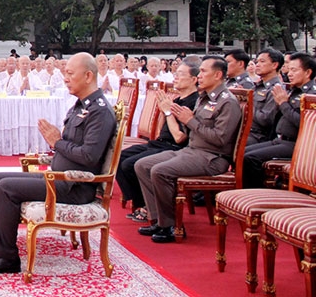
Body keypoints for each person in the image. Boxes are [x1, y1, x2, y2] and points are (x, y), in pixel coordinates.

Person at [0, 53, 117, 274]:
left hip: (74, 185)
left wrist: (57, 142)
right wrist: (58, 144)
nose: (65, 78)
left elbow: (89, 156)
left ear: (87, 76)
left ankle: (6, 259)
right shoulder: (81, 106)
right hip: (59, 177)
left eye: (70, 73)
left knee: (6, 188)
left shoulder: (99, 111)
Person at [134, 56, 242, 243]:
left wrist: (190, 120)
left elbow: (220, 139)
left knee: (160, 171)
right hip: (192, 150)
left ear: (218, 75)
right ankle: (157, 219)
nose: (199, 75)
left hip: (212, 157)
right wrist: (178, 117)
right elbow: (190, 129)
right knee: (142, 165)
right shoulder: (204, 98)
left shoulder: (227, 102)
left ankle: (170, 226)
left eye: (204, 71)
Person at [118, 61, 199, 222]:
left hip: (175, 148)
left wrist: (168, 111)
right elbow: (163, 129)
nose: (175, 77)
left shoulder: (194, 102)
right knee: (119, 158)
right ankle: (142, 203)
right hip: (160, 142)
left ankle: (148, 207)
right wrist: (163, 110)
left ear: (194, 79)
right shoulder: (177, 100)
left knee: (131, 164)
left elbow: (179, 137)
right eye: (176, 74)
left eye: (181, 74)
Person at [242, 52, 316, 189]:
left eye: (294, 70)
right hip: (279, 139)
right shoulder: (294, 90)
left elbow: (304, 123)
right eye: (289, 70)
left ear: (308, 72)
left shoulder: (311, 95)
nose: (289, 74)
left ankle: (258, 193)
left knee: (251, 158)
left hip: (296, 143)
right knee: (242, 152)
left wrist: (283, 104)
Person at [246, 48, 285, 145]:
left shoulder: (276, 89)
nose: (257, 65)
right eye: (257, 61)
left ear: (274, 65)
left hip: (258, 136)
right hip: (246, 130)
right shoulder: (258, 86)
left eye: (262, 61)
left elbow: (265, 120)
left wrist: (247, 107)